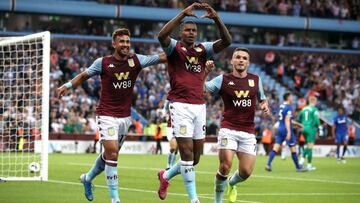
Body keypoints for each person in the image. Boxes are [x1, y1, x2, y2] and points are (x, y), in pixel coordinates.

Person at [57, 28, 166, 203]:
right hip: (106, 114)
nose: (125, 45)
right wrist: (68, 86)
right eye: (122, 41)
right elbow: (84, 75)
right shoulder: (103, 62)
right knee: (113, 154)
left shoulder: (136, 60)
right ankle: (115, 199)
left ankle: (87, 178)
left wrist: (184, 52)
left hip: (125, 117)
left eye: (127, 42)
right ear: (114, 43)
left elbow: (162, 57)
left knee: (110, 156)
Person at [156, 2, 232, 203]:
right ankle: (194, 199)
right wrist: (182, 14)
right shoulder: (174, 49)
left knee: (195, 159)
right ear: (181, 33)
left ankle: (165, 176)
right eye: (187, 30)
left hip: (199, 107)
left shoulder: (203, 49)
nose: (191, 33)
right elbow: (161, 36)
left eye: (194, 30)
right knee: (187, 155)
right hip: (180, 105)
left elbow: (227, 41)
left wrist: (216, 18)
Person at [204, 48, 270, 203]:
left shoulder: (256, 79)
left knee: (246, 172)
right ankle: (217, 201)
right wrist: (206, 72)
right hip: (228, 129)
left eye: (244, 58)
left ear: (248, 62)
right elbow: (201, 88)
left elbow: (262, 98)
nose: (241, 60)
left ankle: (232, 183)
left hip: (248, 131)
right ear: (232, 61)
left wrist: (265, 105)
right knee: (225, 166)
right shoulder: (223, 80)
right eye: (238, 57)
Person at [265, 92, 307, 172]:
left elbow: (286, 119)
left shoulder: (281, 106)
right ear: (288, 98)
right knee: (293, 149)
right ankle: (298, 167)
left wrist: (298, 124)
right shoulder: (288, 107)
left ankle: (268, 164)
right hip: (286, 129)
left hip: (280, 128)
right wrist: (288, 132)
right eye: (291, 97)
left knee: (276, 148)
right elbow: (288, 120)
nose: (292, 98)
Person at [297, 96, 320, 170]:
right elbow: (316, 119)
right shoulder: (314, 109)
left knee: (308, 146)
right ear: (314, 101)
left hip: (303, 129)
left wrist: (301, 126)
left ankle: (303, 162)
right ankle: (305, 163)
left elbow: (299, 119)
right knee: (310, 146)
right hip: (310, 128)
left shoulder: (303, 109)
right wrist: (319, 126)